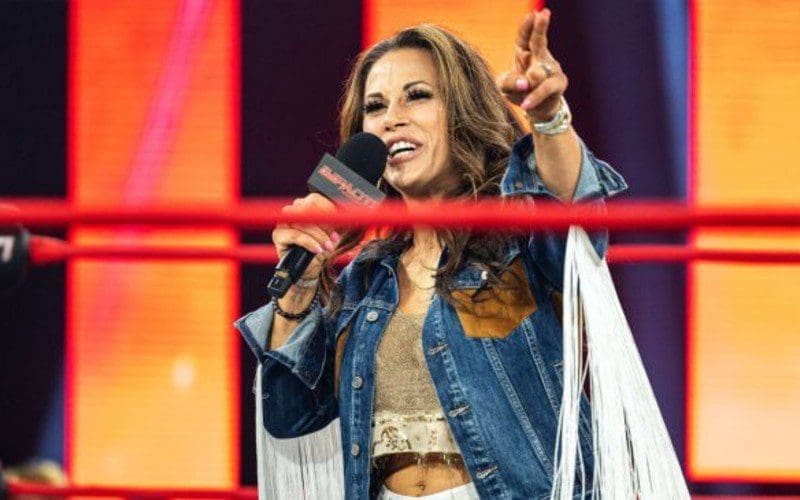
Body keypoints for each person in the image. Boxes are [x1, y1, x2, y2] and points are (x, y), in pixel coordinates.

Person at [237, 9, 627, 500]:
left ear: (463, 110)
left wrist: (549, 118)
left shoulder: (517, 237)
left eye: (417, 96)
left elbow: (573, 213)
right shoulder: (366, 277)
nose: (391, 118)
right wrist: (301, 284)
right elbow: (290, 414)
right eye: (375, 106)